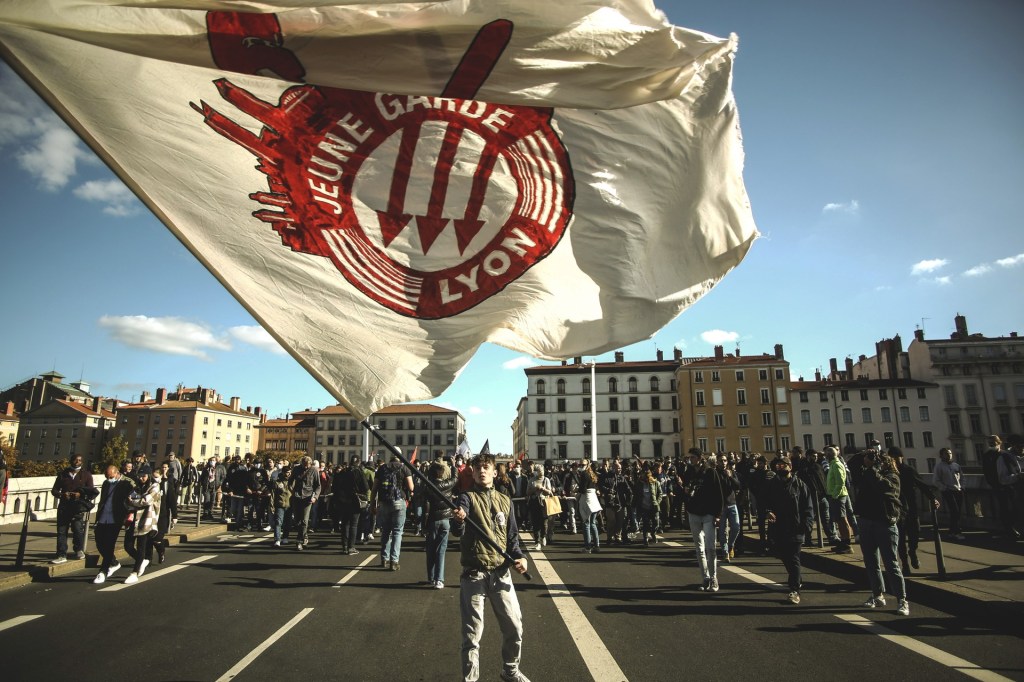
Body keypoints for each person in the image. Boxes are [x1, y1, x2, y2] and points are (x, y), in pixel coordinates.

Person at [451, 454, 530, 682]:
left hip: (501, 573)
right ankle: (471, 679)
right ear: (472, 473)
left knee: (514, 628)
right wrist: (459, 519)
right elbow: (458, 531)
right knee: (472, 636)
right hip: (474, 575)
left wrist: (520, 557)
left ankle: (510, 671)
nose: (481, 471)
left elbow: (512, 538)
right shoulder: (466, 498)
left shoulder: (505, 501)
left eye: (486, 468)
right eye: (477, 468)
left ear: (495, 472)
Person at [855, 450, 909, 616]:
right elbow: (855, 475)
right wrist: (862, 456)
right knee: (871, 562)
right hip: (867, 521)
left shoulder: (893, 477)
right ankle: (877, 595)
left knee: (891, 563)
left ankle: (902, 599)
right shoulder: (867, 474)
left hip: (884, 523)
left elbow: (882, 488)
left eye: (879, 461)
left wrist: (873, 468)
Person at [764, 455, 813, 604]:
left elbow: (808, 507)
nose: (780, 468)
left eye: (783, 465)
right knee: (784, 556)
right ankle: (797, 579)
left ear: (790, 467)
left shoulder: (800, 485)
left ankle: (794, 590)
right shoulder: (772, 484)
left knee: (793, 557)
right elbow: (765, 502)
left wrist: (807, 525)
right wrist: (768, 511)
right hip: (778, 527)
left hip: (795, 527)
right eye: (778, 466)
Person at [682, 448, 724, 592]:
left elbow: (719, 494)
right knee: (699, 549)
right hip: (694, 513)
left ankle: (713, 577)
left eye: (693, 457)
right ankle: (705, 578)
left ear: (700, 458)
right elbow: (685, 491)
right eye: (690, 457)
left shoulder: (710, 472)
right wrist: (686, 493)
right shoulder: (689, 472)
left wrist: (717, 515)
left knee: (710, 548)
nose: (690, 460)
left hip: (708, 514)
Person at [891, 447, 939, 574]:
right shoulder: (890, 472)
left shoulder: (908, 470)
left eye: (897, 456)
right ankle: (905, 563)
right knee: (900, 538)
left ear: (901, 457)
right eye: (893, 457)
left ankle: (912, 551)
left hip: (911, 507)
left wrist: (932, 498)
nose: (895, 459)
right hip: (898, 508)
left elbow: (922, 485)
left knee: (915, 533)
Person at [92, 464, 134, 584]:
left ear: (116, 473)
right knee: (99, 542)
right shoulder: (106, 484)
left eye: (110, 476)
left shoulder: (126, 484)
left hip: (115, 518)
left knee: (110, 544)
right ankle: (114, 563)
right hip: (103, 517)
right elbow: (102, 500)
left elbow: (132, 498)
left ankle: (103, 571)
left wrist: (128, 514)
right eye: (107, 477)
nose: (109, 479)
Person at [50, 454, 97, 564]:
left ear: (82, 462)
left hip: (78, 507)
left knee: (77, 529)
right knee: (61, 531)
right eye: (75, 460)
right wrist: (62, 495)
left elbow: (91, 492)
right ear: (71, 461)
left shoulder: (86, 475)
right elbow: (54, 490)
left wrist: (79, 494)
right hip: (64, 506)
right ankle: (61, 554)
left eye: (80, 460)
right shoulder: (63, 474)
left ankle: (78, 550)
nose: (77, 461)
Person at [372, 455, 413, 569]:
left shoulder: (382, 468)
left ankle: (384, 559)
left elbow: (374, 488)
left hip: (384, 502)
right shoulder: (404, 468)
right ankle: (394, 561)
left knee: (386, 531)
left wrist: (372, 505)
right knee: (397, 532)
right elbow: (411, 487)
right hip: (399, 501)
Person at [124, 465, 162, 584]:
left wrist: (133, 501)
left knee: (141, 546)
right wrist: (133, 501)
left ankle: (135, 572)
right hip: (133, 520)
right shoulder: (136, 486)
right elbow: (127, 500)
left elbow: (146, 501)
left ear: (149, 476)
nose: (141, 478)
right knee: (128, 545)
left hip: (146, 520)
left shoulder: (155, 486)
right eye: (140, 476)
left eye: (144, 476)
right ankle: (142, 560)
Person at [425, 460, 455, 587]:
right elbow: (455, 478)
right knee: (441, 550)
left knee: (430, 550)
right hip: (445, 519)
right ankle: (439, 579)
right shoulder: (448, 484)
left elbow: (425, 504)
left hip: (433, 519)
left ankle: (431, 577)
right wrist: (453, 465)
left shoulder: (428, 486)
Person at [334, 455, 369, 554]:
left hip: (343, 500)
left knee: (345, 524)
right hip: (355, 501)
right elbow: (366, 487)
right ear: (358, 462)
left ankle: (344, 546)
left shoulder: (343, 472)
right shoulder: (358, 472)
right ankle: (351, 547)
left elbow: (336, 486)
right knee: (353, 524)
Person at [824, 446, 854, 554]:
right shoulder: (833, 465)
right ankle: (843, 542)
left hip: (838, 496)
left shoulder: (836, 465)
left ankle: (847, 544)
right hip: (835, 496)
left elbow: (841, 482)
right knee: (840, 520)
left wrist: (834, 495)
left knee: (842, 519)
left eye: (826, 455)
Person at [933, 447, 965, 540]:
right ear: (941, 455)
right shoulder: (939, 467)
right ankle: (956, 531)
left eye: (950, 453)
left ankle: (952, 530)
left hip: (958, 490)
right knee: (954, 510)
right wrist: (945, 488)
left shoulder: (956, 465)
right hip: (948, 491)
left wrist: (962, 487)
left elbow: (962, 477)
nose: (949, 455)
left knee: (957, 511)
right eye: (946, 453)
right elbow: (936, 480)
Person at [290, 456, 321, 550]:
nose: (306, 467)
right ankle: (305, 535)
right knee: (297, 520)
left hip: (308, 498)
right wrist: (292, 490)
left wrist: (315, 497)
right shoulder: (296, 469)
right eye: (304, 465)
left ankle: (299, 540)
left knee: (304, 520)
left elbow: (318, 486)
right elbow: (290, 481)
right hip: (297, 497)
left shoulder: (314, 470)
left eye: (308, 465)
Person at [996, 435, 1024, 539]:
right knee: (1018, 512)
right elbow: (1002, 479)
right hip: (1015, 491)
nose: (1022, 449)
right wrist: (1018, 476)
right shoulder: (1004, 458)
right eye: (1019, 446)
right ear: (1013, 446)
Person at [716, 454, 741, 562]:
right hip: (721, 506)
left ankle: (731, 545)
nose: (723, 462)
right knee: (722, 531)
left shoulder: (731, 472)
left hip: (732, 504)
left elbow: (738, 486)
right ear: (717, 462)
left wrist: (730, 476)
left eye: (725, 460)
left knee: (736, 527)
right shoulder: (715, 473)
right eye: (721, 460)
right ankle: (725, 552)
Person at [526, 465, 557, 550]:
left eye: (541, 470)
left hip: (544, 503)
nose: (540, 472)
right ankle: (537, 542)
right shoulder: (532, 480)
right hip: (534, 502)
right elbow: (527, 492)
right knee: (535, 523)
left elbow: (549, 492)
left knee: (544, 522)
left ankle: (543, 536)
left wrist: (542, 488)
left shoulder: (546, 480)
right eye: (538, 470)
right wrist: (534, 489)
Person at [633, 464, 662, 547]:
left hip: (654, 506)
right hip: (644, 507)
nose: (645, 478)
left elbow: (660, 493)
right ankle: (645, 539)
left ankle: (653, 533)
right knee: (645, 524)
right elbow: (636, 494)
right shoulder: (639, 484)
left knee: (656, 523)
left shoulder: (655, 483)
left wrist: (657, 502)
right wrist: (634, 504)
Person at [577, 459, 602, 553]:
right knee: (593, 523)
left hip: (587, 498)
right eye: (580, 464)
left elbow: (582, 489)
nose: (581, 466)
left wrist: (577, 493)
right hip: (593, 498)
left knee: (586, 523)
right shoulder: (592, 474)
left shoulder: (584, 474)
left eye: (582, 464)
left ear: (587, 465)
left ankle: (588, 547)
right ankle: (597, 545)